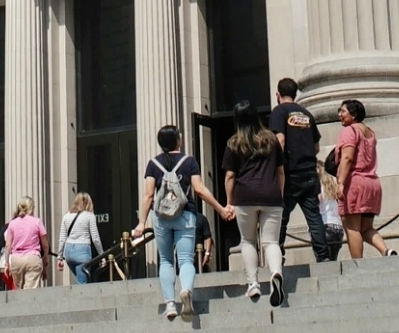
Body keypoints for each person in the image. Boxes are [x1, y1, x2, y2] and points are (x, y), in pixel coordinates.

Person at [132, 124, 228, 322]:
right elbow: (199, 190)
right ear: (177, 140)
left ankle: (170, 305)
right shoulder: (189, 162)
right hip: (185, 214)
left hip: (161, 217)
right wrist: (220, 209)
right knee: (185, 259)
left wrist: (141, 223)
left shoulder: (153, 164)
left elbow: (148, 195)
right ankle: (186, 290)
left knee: (166, 260)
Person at [222, 99, 286, 307]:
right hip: (271, 195)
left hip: (245, 196)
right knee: (271, 242)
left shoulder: (234, 143)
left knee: (248, 241)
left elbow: (230, 176)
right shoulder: (271, 139)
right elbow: (280, 171)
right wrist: (279, 194)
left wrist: (229, 202)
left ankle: (253, 284)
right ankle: (275, 272)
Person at [269, 77, 329, 264]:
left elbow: (280, 140)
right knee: (314, 216)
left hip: (290, 173)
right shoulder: (306, 113)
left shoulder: (279, 112)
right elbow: (316, 147)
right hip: (309, 172)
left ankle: (277, 256)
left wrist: (275, 165)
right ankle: (323, 256)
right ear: (295, 94)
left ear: (278, 94)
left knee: (281, 216)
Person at [333, 99, 398, 260]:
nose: (339, 114)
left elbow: (347, 158)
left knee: (352, 227)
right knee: (366, 228)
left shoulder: (349, 131)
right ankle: (386, 251)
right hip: (372, 182)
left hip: (355, 182)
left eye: (343, 111)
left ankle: (358, 265)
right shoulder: (370, 132)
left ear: (353, 114)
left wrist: (340, 183)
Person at [2, 197, 48, 290]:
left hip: (16, 259)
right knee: (30, 291)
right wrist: (45, 257)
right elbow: (45, 245)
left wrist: (6, 263)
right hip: (32, 258)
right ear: (31, 208)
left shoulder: (12, 223)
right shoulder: (37, 222)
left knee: (18, 290)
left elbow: (8, 245)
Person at [56, 193, 102, 287]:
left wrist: (60, 257)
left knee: (80, 278)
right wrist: (102, 255)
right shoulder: (89, 215)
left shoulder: (66, 215)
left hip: (69, 252)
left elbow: (62, 238)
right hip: (82, 251)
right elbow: (95, 238)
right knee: (82, 284)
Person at [318, 162, 345, 261]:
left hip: (324, 226)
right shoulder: (332, 186)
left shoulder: (317, 186)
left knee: (323, 262)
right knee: (333, 261)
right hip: (338, 227)